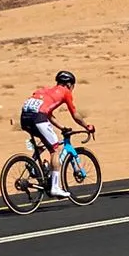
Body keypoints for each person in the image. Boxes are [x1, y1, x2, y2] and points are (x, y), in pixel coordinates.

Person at [20, 71, 95, 199]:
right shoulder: (65, 92)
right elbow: (75, 115)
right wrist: (87, 126)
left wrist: (62, 127)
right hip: (38, 118)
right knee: (55, 149)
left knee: (46, 139)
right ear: (69, 85)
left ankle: (33, 164)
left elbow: (47, 114)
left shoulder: (44, 91)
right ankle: (55, 187)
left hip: (24, 117)